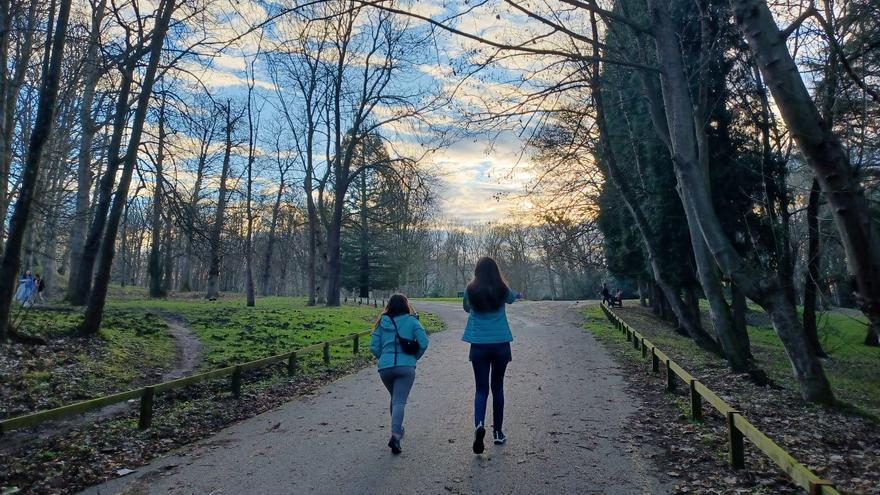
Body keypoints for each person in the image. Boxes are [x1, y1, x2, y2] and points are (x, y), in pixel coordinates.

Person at [462, 257, 522, 454]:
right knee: (498, 387)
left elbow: (466, 308)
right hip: (500, 344)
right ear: (496, 271)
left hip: (479, 345)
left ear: (477, 271)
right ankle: (497, 432)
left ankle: (479, 424)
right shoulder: (502, 288)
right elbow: (512, 298)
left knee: (481, 389)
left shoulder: (470, 289)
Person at [370, 293, 429, 455]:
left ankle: (398, 428)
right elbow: (424, 342)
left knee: (395, 399)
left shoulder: (382, 322)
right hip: (406, 367)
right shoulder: (412, 321)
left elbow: (373, 346)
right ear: (406, 305)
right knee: (399, 401)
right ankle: (395, 435)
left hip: (386, 368)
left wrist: (383, 358)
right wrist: (413, 358)